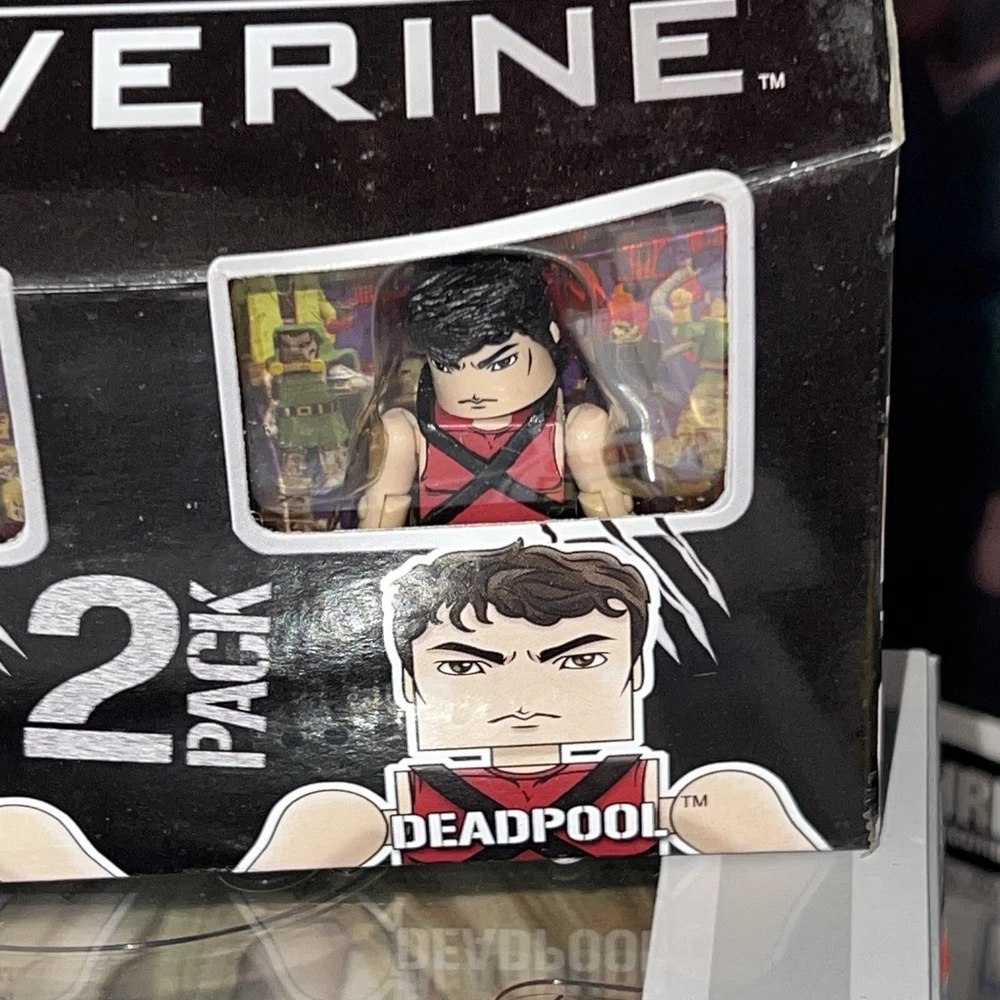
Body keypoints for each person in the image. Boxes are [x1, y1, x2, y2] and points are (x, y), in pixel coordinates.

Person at [236, 542, 826, 871]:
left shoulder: (707, 796)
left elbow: (812, 907)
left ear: (636, 670)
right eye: (467, 667)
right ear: (408, 684)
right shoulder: (355, 814)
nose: (522, 701)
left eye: (576, 660)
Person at [358, 253, 632, 528]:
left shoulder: (576, 429)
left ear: (552, 334)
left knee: (587, 431)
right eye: (447, 365)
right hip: (447, 545)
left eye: (501, 362)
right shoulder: (409, 432)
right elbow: (382, 513)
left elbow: (609, 510)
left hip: (543, 546)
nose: (474, 391)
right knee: (395, 436)